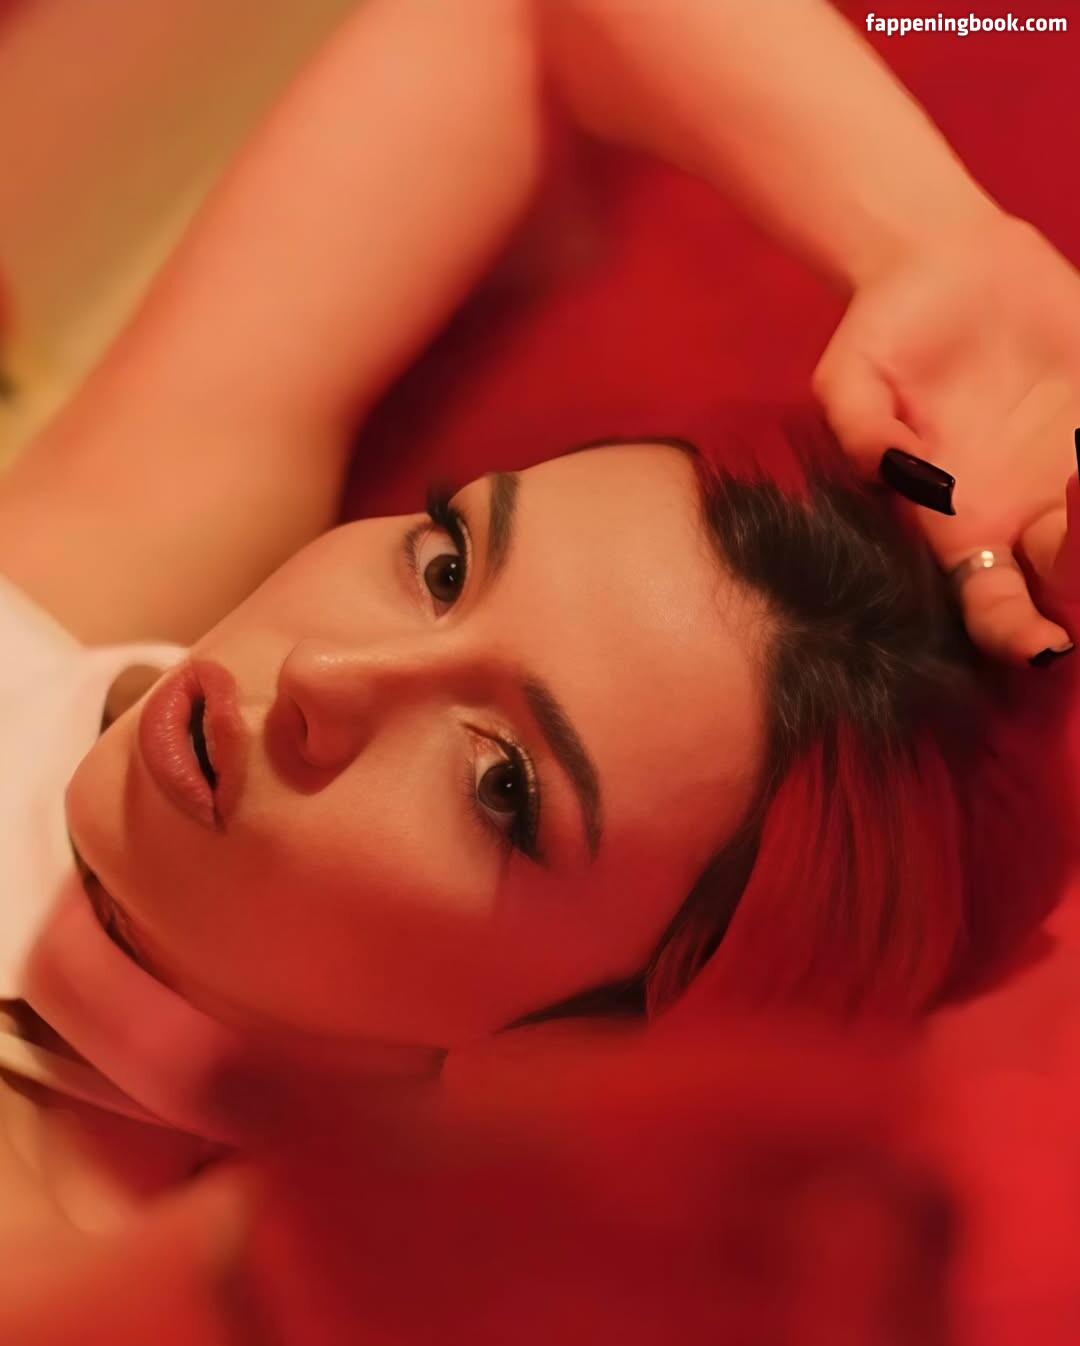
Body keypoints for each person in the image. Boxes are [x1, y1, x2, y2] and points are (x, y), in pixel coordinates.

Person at [0, 0, 1076, 1240]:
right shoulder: (100, 600)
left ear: (569, 1053)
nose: (324, 669)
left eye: (500, 783)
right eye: (445, 564)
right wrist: (938, 246)